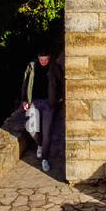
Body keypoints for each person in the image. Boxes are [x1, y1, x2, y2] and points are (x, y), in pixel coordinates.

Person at [22, 45, 63, 174]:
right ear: (38, 58)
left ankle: (45, 159)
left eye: (45, 60)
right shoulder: (32, 66)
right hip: (34, 101)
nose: (43, 62)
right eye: (41, 60)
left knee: (47, 132)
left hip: (48, 103)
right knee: (31, 128)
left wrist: (60, 97)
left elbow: (61, 81)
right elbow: (25, 83)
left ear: (49, 58)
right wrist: (24, 100)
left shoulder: (54, 67)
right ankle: (40, 144)